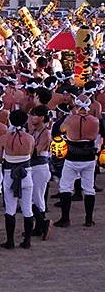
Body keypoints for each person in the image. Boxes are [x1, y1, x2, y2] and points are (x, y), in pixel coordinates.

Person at [55, 94, 99, 227]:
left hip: (72, 156)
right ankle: (88, 219)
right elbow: (95, 136)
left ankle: (65, 218)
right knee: (89, 188)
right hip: (89, 157)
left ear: (77, 105)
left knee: (65, 187)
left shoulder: (70, 119)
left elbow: (61, 129)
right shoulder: (94, 120)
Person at [0, 110, 35, 249]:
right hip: (26, 175)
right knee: (27, 209)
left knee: (10, 209)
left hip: (9, 175)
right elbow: (30, 155)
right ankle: (27, 241)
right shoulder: (30, 138)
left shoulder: (3, 138)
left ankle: (10, 241)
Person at [29, 105, 52, 239]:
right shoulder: (34, 132)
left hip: (40, 167)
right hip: (34, 167)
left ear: (42, 117)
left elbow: (37, 151)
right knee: (33, 197)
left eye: (35, 115)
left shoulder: (46, 133)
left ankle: (41, 225)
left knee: (37, 197)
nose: (33, 118)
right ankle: (40, 225)